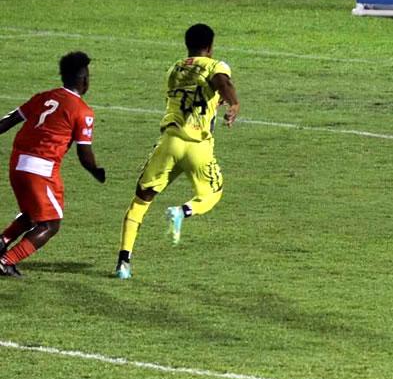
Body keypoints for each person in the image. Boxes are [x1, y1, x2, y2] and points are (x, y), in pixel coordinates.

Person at [115, 23, 240, 280]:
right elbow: (222, 82)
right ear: (210, 47)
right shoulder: (215, 65)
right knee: (212, 193)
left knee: (141, 201)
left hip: (169, 142)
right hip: (198, 146)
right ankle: (183, 211)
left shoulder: (173, 69)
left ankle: (123, 264)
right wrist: (233, 102)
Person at [0, 52, 105, 277]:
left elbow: (9, 120)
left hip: (17, 164)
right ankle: (6, 261)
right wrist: (96, 171)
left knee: (31, 213)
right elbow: (84, 154)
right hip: (41, 169)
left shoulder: (44, 97)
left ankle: (2, 241)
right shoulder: (82, 111)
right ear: (84, 80)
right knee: (50, 224)